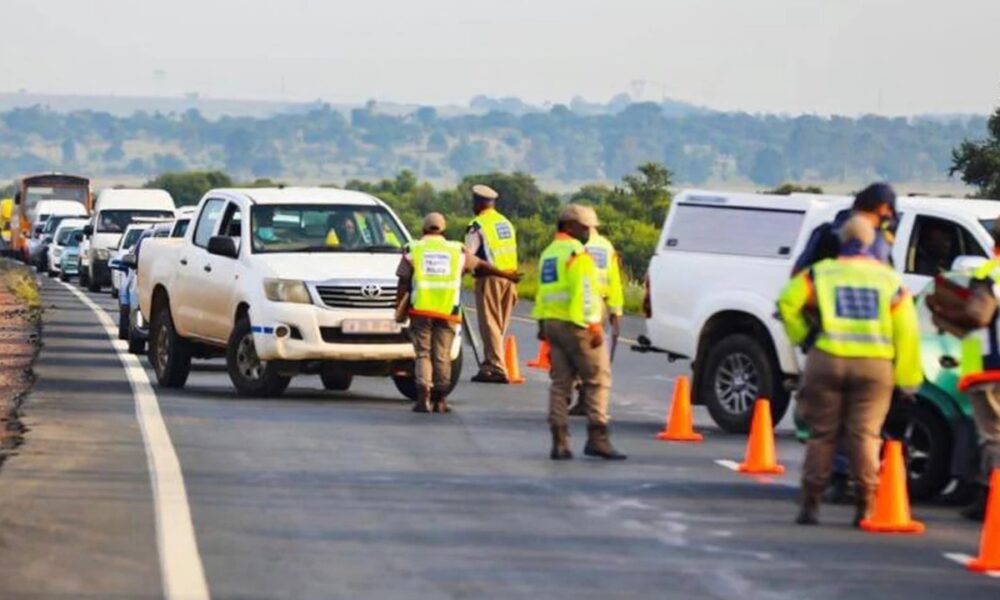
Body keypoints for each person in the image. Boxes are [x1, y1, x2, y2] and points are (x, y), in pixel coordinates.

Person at [778, 215, 921, 526]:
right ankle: (865, 504)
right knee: (865, 435)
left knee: (823, 434)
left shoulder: (820, 273)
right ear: (871, 243)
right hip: (874, 367)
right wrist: (908, 380)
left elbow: (787, 302)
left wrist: (805, 335)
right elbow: (907, 331)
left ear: (842, 240)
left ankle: (810, 503)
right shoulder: (889, 280)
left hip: (827, 358)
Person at [791, 182, 900, 503]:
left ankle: (817, 491)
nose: (890, 216)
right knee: (864, 427)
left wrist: (807, 335)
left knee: (824, 426)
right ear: (879, 207)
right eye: (888, 209)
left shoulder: (826, 235)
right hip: (872, 350)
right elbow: (899, 308)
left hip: (826, 345)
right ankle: (863, 490)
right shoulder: (877, 244)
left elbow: (792, 292)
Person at [396, 213, 519, 413]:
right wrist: (506, 275)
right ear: (444, 231)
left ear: (423, 230)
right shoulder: (456, 251)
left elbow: (402, 280)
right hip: (448, 312)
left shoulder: (414, 249)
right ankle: (440, 399)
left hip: (420, 310)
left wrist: (397, 307)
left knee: (423, 355)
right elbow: (481, 265)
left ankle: (422, 399)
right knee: (443, 355)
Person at [534, 204, 626, 461]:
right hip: (578, 326)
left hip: (553, 324)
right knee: (598, 379)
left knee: (560, 383)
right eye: (585, 227)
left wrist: (542, 325)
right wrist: (594, 325)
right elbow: (586, 293)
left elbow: (543, 292)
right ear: (570, 227)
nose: (589, 232)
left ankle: (560, 441)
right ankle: (598, 438)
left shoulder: (549, 253)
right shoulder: (578, 254)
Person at [949, 221, 1000, 521]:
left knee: (993, 436)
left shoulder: (988, 274)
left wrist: (951, 311)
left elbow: (977, 317)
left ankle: (991, 498)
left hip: (990, 369)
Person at [568, 223, 624, 415]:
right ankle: (589, 399)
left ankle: (583, 397)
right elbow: (614, 282)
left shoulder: (572, 245)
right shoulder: (606, 247)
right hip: (598, 305)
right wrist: (616, 312)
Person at [466, 184, 519, 383]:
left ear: (479, 203)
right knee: (499, 326)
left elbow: (469, 257)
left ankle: (497, 368)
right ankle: (490, 364)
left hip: (489, 279)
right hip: (510, 279)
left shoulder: (477, 225)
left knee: (489, 325)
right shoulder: (505, 223)